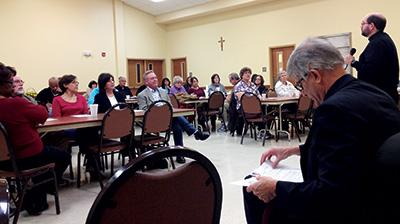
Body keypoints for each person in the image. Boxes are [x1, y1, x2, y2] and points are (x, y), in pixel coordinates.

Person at [243, 37, 400, 224]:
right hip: (383, 201)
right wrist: (293, 150)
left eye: (301, 84)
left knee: (253, 187)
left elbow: (331, 196)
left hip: (350, 211)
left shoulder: (333, 109)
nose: (304, 93)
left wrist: (276, 188)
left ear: (315, 76)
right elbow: (355, 147)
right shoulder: (377, 94)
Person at [0, 63, 71, 215]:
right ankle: (34, 194)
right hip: (27, 155)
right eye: (11, 83)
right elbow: (43, 114)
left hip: (3, 161)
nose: (13, 86)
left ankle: (33, 195)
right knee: (63, 156)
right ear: (2, 85)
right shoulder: (16, 103)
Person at [137, 70, 210, 163]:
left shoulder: (163, 92)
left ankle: (180, 153)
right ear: (146, 82)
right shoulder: (142, 95)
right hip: (153, 122)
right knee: (176, 120)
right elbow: (144, 111)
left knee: (176, 122)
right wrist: (160, 111)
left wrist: (165, 111)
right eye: (152, 78)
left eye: (155, 77)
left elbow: (170, 107)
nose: (155, 80)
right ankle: (195, 133)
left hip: (167, 119)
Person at [345, 12, 399, 104]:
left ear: (371, 26)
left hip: (379, 97)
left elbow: (372, 71)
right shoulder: (382, 40)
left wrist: (353, 62)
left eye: (363, 23)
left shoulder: (378, 43)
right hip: (382, 95)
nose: (361, 26)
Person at [12, 73, 70, 152]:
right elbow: (39, 110)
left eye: (21, 81)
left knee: (62, 137)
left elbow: (39, 111)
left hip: (39, 126)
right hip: (26, 136)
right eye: (17, 81)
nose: (21, 83)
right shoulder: (11, 100)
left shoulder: (27, 97)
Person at [233, 67, 273, 139]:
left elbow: (259, 96)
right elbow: (243, 99)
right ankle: (261, 131)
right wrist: (254, 98)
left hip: (255, 106)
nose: (248, 74)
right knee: (260, 111)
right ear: (241, 75)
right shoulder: (238, 86)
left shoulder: (253, 85)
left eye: (249, 73)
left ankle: (263, 131)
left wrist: (255, 98)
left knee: (268, 109)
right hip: (243, 108)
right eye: (246, 73)